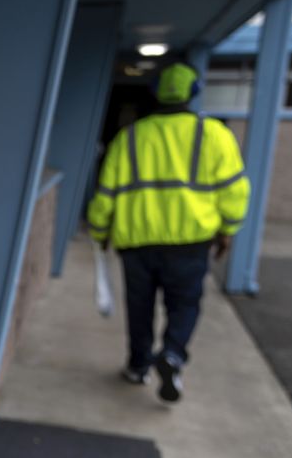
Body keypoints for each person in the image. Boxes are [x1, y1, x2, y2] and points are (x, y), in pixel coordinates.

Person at [87, 62, 250, 403]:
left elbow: (106, 194)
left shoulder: (130, 137)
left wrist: (100, 231)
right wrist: (227, 230)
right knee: (185, 304)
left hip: (136, 243)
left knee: (140, 307)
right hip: (190, 243)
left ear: (156, 94)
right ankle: (173, 353)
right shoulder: (216, 135)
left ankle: (138, 366)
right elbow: (234, 192)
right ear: (193, 93)